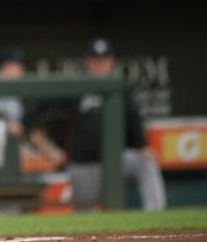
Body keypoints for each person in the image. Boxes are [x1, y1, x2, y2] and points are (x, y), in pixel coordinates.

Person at [29, 38, 167, 212]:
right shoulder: (76, 87)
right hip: (85, 165)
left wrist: (141, 146)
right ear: (87, 61)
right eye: (95, 59)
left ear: (112, 61)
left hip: (116, 160)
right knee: (84, 217)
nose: (99, 64)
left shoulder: (121, 87)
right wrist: (36, 135)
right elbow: (41, 107)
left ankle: (155, 214)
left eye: (104, 59)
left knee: (146, 162)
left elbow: (133, 116)